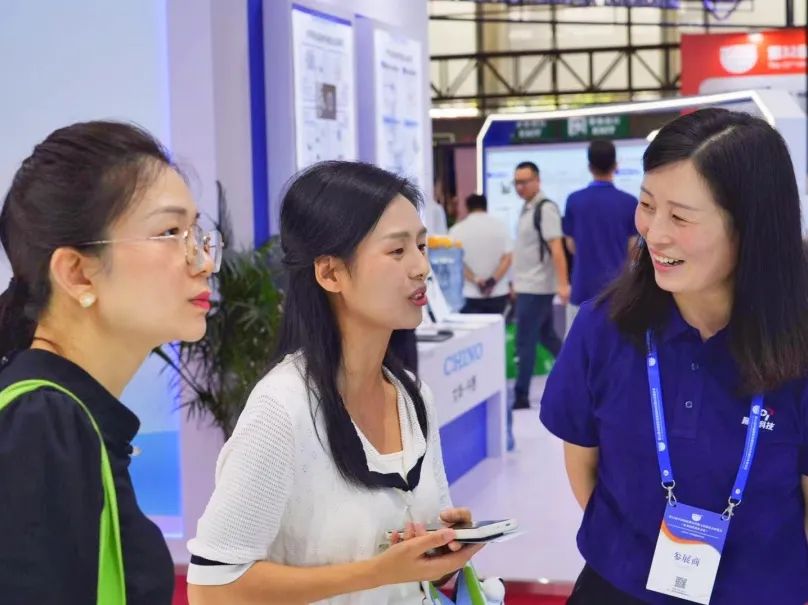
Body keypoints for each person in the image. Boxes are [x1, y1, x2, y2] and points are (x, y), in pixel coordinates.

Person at [540, 108, 808, 604]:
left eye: (680, 216)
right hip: (617, 587)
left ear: (750, 226)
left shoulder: (797, 341)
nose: (654, 233)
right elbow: (583, 464)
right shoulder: (605, 326)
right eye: (647, 204)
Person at [186, 161, 483, 604]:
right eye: (397, 251)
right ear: (330, 273)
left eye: (421, 246)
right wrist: (376, 573)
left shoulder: (412, 397)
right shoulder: (282, 409)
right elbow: (211, 588)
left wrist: (443, 555)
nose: (422, 267)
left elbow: (421, 569)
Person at [0, 121, 221, 604]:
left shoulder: (64, 416)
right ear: (78, 274)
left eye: (196, 233)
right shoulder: (42, 421)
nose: (203, 261)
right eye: (169, 232)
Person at [511, 161, 569, 421]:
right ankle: (577, 369)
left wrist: (562, 284)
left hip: (537, 287)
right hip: (527, 285)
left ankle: (521, 396)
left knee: (525, 341)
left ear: (537, 181)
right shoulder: (527, 209)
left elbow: (557, 249)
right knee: (546, 336)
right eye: (517, 183)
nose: (520, 187)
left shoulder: (545, 209)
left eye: (525, 182)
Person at [563, 139, 637, 328]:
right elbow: (633, 248)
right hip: (618, 292)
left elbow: (571, 246)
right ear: (615, 165)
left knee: (579, 345)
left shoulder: (574, 200)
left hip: (582, 290)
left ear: (589, 167)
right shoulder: (629, 202)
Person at [449, 193, 512, 315]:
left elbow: (457, 262)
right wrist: (492, 281)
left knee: (472, 328)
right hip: (498, 293)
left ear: (467, 208)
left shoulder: (456, 230)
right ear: (486, 206)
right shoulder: (502, 227)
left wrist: (477, 280)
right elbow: (508, 258)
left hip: (469, 294)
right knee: (496, 327)